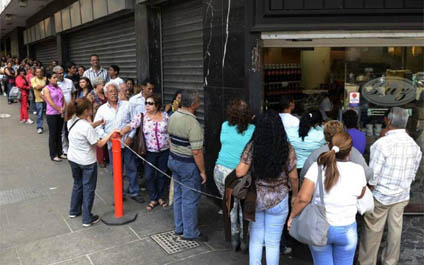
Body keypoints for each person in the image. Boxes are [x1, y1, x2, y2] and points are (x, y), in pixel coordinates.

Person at [288, 132, 367, 265]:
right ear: (350, 152)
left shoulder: (317, 167)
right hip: (346, 228)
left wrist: (292, 216)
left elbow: (303, 198)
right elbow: (361, 194)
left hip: (319, 225)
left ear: (329, 146)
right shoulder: (358, 170)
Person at [358, 107, 422, 265]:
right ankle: (390, 261)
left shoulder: (382, 144)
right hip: (401, 195)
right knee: (395, 230)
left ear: (388, 121)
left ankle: (367, 262)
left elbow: (373, 175)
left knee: (373, 231)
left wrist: (370, 189)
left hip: (381, 195)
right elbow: (414, 173)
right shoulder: (413, 145)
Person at [235, 110, 298, 265]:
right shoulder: (287, 148)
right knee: (273, 243)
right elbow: (294, 177)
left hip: (256, 198)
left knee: (256, 239)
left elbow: (239, 171)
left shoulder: (253, 146)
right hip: (279, 200)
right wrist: (295, 194)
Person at [66, 97, 118, 227]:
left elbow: (85, 128)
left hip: (73, 158)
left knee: (78, 184)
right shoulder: (86, 127)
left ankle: (74, 210)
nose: (92, 110)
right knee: (89, 188)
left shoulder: (71, 120)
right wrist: (110, 134)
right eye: (91, 109)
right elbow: (99, 143)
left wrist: (98, 123)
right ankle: (87, 218)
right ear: (86, 111)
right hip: (87, 162)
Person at [214, 99, 255, 251]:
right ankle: (245, 241)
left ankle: (234, 239)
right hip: (239, 174)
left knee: (231, 207)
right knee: (243, 207)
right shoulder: (253, 130)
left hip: (220, 171)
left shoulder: (224, 126)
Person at [167, 89, 207, 242]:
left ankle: (179, 227)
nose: (199, 102)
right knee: (190, 198)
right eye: (198, 100)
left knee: (178, 194)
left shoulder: (173, 116)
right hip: (187, 164)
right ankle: (190, 232)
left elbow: (169, 139)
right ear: (193, 104)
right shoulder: (193, 123)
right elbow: (197, 152)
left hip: (173, 160)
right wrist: (202, 171)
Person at [94, 83, 144, 203]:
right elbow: (97, 127)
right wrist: (107, 137)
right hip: (113, 145)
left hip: (127, 144)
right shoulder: (102, 109)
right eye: (110, 91)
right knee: (116, 171)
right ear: (106, 94)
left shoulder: (127, 105)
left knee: (132, 168)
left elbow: (134, 122)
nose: (114, 93)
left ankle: (134, 192)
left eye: (115, 90)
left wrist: (130, 138)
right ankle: (119, 194)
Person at [121, 95, 170, 211]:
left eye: (150, 103)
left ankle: (160, 197)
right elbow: (131, 125)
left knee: (162, 175)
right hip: (150, 152)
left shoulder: (165, 116)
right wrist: (121, 132)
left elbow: (170, 132)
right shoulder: (141, 116)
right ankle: (153, 197)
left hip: (165, 150)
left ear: (157, 105)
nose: (147, 105)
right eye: (146, 103)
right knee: (149, 176)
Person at [301, 120, 373, 181]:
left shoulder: (316, 153)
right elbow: (367, 175)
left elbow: (304, 176)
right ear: (342, 134)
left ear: (325, 136)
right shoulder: (353, 151)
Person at [43, 73, 66, 162]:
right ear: (49, 79)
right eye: (54, 77)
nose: (56, 79)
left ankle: (60, 152)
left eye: (56, 77)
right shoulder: (46, 89)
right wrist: (60, 109)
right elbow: (50, 102)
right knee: (53, 134)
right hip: (51, 114)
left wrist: (63, 108)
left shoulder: (59, 88)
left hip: (60, 113)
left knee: (59, 133)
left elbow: (63, 99)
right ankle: (53, 154)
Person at [54, 65, 76, 157]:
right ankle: (65, 149)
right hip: (60, 111)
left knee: (72, 129)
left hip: (70, 111)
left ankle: (74, 147)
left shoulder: (69, 82)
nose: (62, 74)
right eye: (59, 73)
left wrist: (73, 104)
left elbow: (73, 93)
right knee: (62, 131)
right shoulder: (54, 84)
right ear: (55, 74)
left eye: (62, 72)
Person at [89, 77, 108, 168]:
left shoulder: (105, 94)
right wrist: (91, 123)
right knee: (99, 140)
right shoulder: (91, 95)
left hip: (106, 119)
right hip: (96, 120)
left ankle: (107, 157)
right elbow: (87, 110)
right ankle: (100, 159)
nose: (104, 86)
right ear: (97, 85)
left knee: (106, 137)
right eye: (102, 84)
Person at [31, 67, 47, 134]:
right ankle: (39, 127)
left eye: (40, 72)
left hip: (47, 99)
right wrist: (45, 85)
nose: (39, 73)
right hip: (39, 100)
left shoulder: (45, 78)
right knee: (40, 115)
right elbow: (37, 88)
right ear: (35, 73)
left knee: (49, 114)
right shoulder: (33, 79)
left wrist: (43, 86)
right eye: (38, 72)